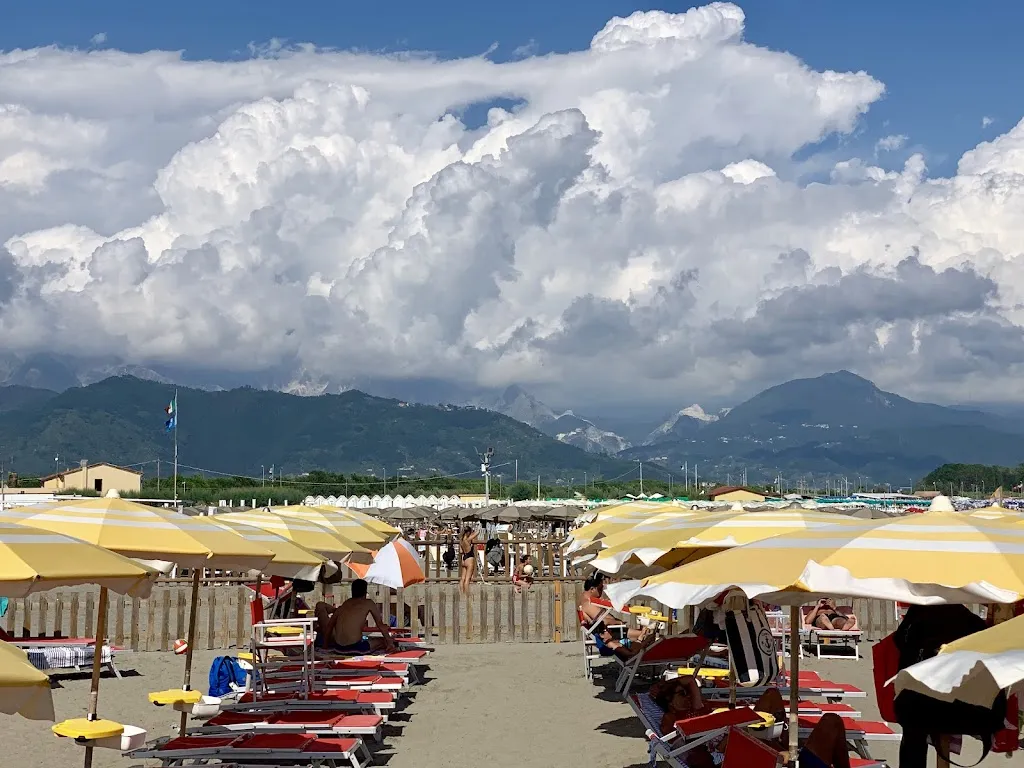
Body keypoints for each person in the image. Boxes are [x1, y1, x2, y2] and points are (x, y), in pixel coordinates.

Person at [651, 677, 851, 768]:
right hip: (759, 756)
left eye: (686, 694)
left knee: (773, 694)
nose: (687, 696)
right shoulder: (673, 720)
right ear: (669, 703)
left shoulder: (696, 709)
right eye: (681, 694)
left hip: (763, 746)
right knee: (831, 722)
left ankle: (782, 739)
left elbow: (690, 681)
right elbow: (684, 747)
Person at [314, 579, 396, 653]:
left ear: (352, 591)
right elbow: (380, 625)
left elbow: (330, 626)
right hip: (355, 647)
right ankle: (389, 645)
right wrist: (390, 642)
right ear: (365, 592)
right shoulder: (368, 603)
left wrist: (325, 646)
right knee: (382, 641)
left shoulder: (346, 603)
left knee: (369, 640)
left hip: (338, 647)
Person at [459, 525, 478, 594]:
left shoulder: (461, 541)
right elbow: (477, 532)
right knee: (467, 579)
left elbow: (461, 551)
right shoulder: (468, 539)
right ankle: (467, 595)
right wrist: (474, 530)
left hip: (464, 559)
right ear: (468, 532)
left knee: (462, 578)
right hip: (469, 559)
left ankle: (461, 593)